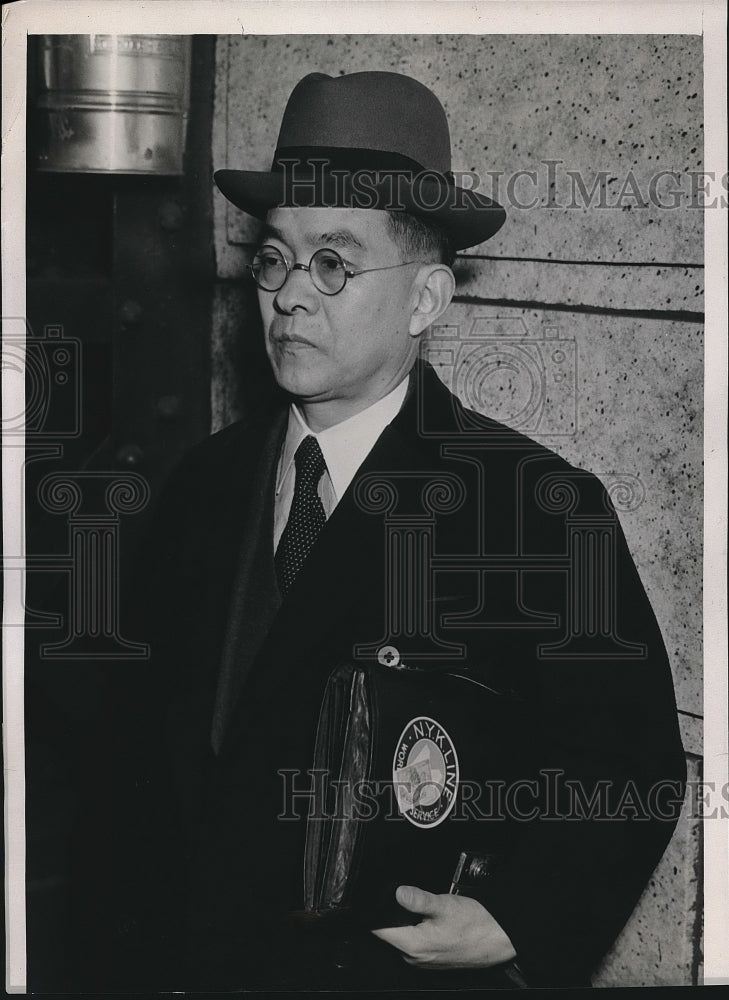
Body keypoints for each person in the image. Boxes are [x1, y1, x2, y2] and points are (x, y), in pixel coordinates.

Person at [80, 70, 686, 993]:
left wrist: (519, 916)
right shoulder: (200, 486)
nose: (287, 296)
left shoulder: (531, 507)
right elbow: (126, 759)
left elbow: (628, 762)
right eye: (275, 259)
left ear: (424, 300)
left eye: (333, 263)